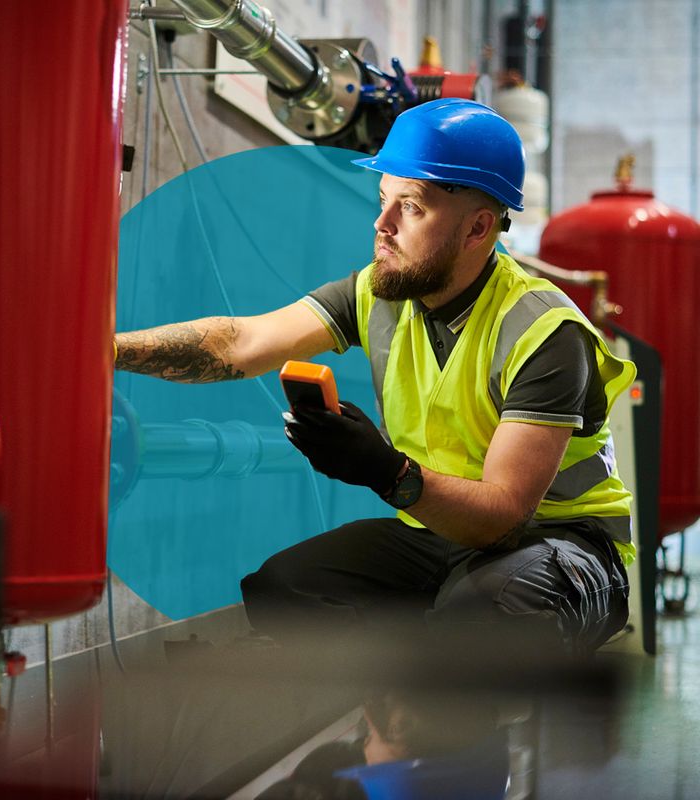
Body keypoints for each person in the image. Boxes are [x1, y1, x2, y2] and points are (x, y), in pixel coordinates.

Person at [114, 98, 634, 655]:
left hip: (562, 545)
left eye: (409, 207)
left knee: (487, 613)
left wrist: (387, 471)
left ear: (478, 228)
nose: (381, 225)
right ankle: (400, 714)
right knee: (286, 590)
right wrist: (104, 351)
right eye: (383, 199)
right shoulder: (381, 293)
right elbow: (243, 342)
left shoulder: (544, 332)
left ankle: (454, 719)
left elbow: (503, 521)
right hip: (443, 534)